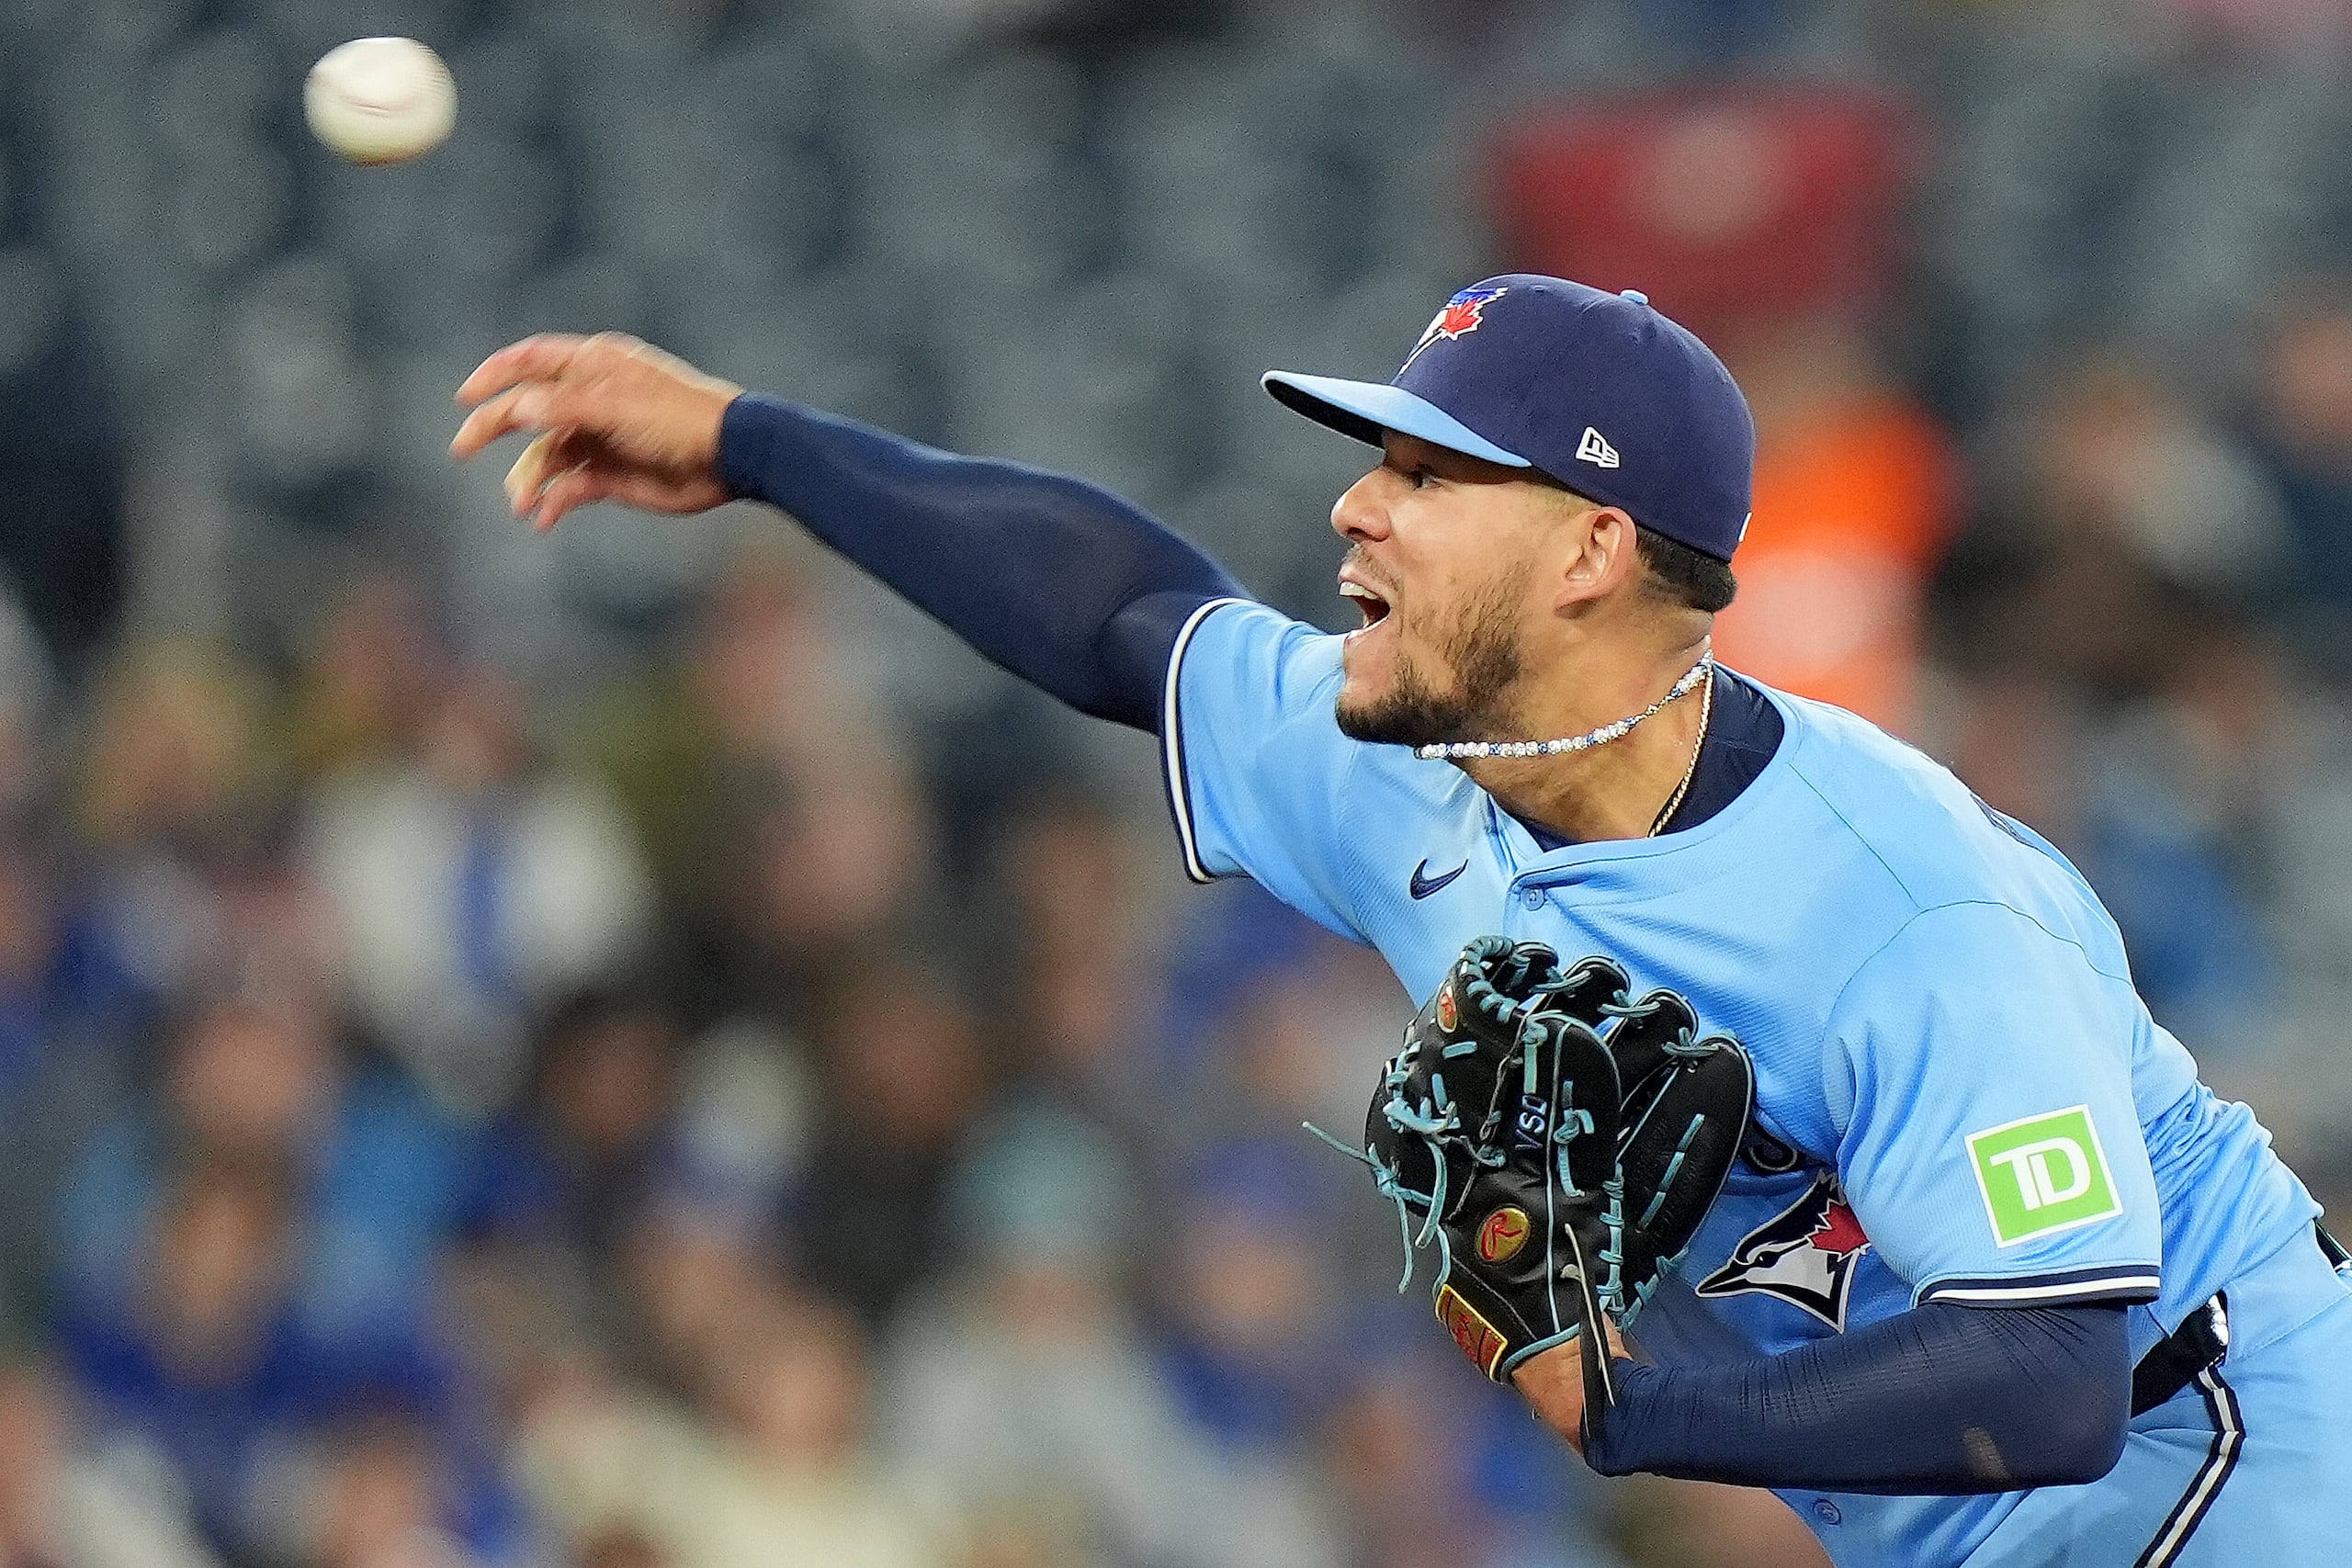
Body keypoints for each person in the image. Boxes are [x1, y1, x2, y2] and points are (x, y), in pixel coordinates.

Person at [450, 276, 2352, 1565]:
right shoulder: (1414, 775)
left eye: (1423, 474)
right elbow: (1122, 614)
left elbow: (2049, 1375)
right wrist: (754, 440)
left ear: (1591, 550)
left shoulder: (1895, 906)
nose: (1355, 510)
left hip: (2227, 1460)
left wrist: (1641, 1393)